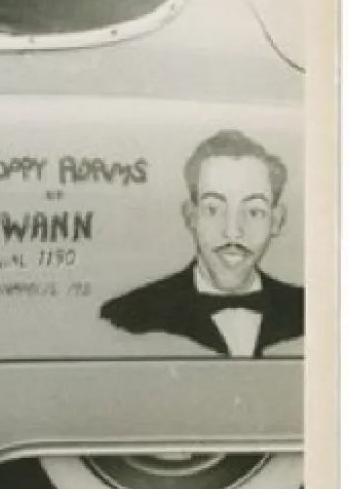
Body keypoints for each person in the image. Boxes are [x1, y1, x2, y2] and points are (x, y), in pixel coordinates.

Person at [99, 130, 303, 357]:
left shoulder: (309, 311)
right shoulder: (129, 315)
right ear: (191, 216)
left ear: (276, 220)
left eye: (254, 211)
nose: (232, 232)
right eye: (213, 209)